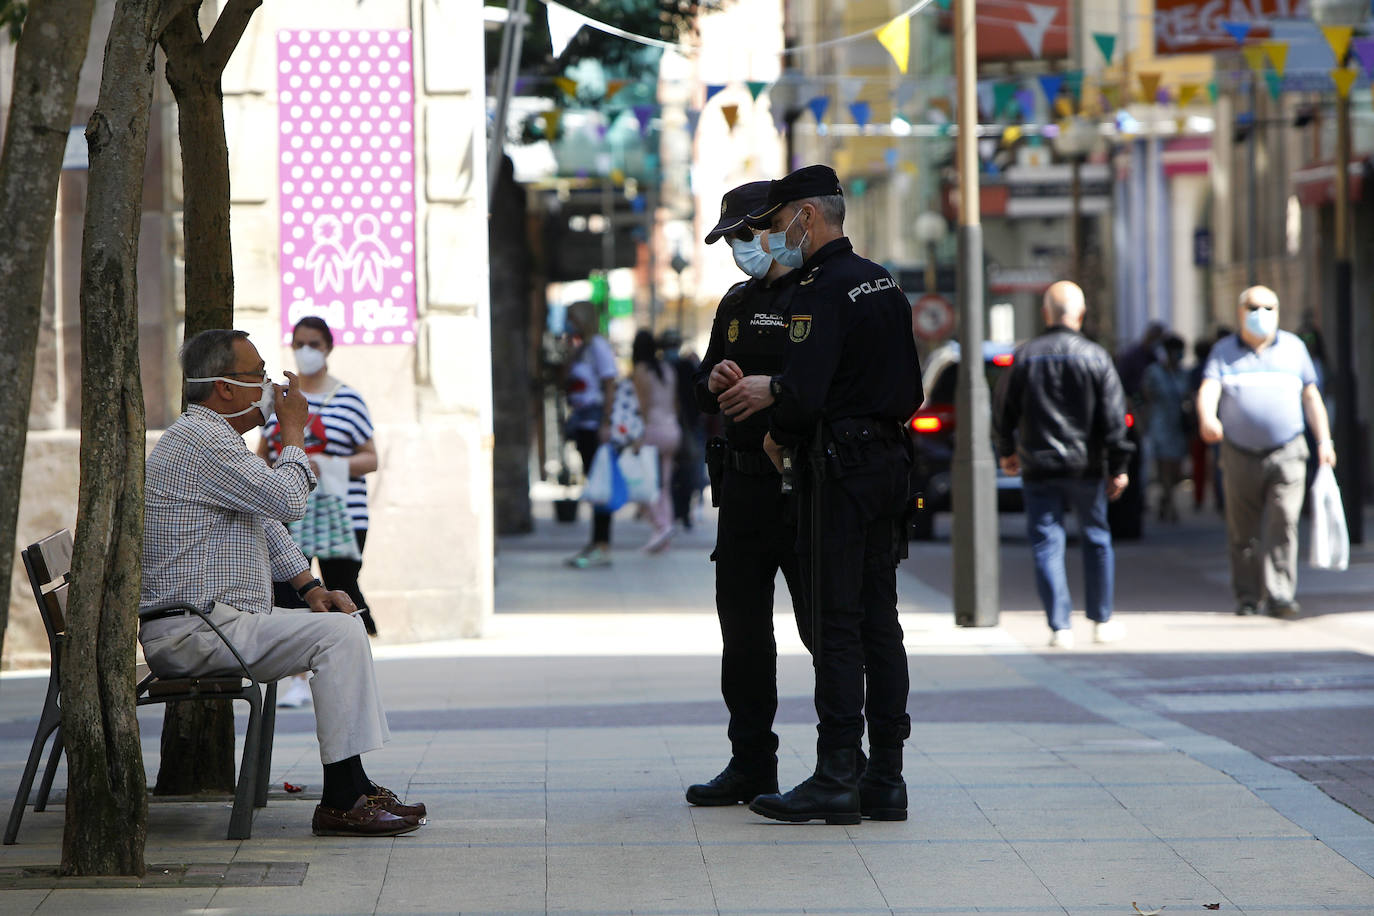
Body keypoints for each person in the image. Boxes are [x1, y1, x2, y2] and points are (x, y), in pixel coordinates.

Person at [139, 329, 425, 837]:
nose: (270, 385)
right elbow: (289, 503)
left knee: (340, 621)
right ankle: (342, 797)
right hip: (196, 630)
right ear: (225, 389)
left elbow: (267, 524)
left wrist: (312, 589)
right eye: (258, 376)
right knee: (337, 636)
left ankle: (353, 784)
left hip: (221, 621)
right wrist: (294, 432)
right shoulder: (201, 441)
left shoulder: (217, 439)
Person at [746, 165, 923, 825]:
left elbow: (806, 390)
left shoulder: (821, 290)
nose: (772, 237)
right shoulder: (883, 282)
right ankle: (887, 776)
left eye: (775, 224)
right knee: (882, 620)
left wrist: (780, 428)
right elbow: (910, 388)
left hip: (839, 471)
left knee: (836, 622)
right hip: (889, 465)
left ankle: (836, 774)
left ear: (807, 218)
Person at [684, 180, 809, 808]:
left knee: (825, 626)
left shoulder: (819, 294)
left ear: (778, 227)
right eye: (731, 239)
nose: (739, 248)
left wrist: (775, 387)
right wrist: (718, 379)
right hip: (742, 486)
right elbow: (703, 386)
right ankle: (750, 761)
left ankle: (847, 761)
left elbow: (834, 380)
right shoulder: (734, 303)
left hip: (806, 484)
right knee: (743, 628)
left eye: (744, 235)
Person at [993, 281, 1133, 650]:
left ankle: (1060, 627)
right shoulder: (1096, 357)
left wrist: (1007, 450)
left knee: (1045, 543)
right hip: (1086, 468)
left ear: (1045, 314)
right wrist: (1118, 464)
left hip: (1039, 466)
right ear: (1081, 315)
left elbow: (1004, 408)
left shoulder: (1026, 356)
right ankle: (1101, 621)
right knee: (1097, 538)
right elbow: (1115, 418)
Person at [1196, 285, 1337, 618]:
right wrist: (1207, 418)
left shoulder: (1294, 349)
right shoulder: (1223, 351)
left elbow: (1311, 397)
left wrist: (1325, 441)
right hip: (1239, 453)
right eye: (1253, 307)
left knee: (1283, 522)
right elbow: (1209, 389)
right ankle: (1247, 596)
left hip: (1288, 450)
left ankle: (1280, 595)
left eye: (1269, 307)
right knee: (1242, 531)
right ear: (1240, 311)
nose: (1261, 314)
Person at [259, 317, 379, 638]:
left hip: (340, 517)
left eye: (314, 344)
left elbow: (371, 458)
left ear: (328, 348)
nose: (305, 351)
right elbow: (262, 457)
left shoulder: (349, 399)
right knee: (287, 591)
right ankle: (297, 678)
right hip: (288, 515)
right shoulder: (279, 402)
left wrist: (327, 464)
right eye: (299, 344)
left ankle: (353, 653)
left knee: (343, 590)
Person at [562, 300, 619, 568]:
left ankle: (602, 543)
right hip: (583, 424)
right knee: (594, 484)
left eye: (573, 318)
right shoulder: (581, 347)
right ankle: (596, 541)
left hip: (595, 423)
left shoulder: (597, 346)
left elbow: (609, 383)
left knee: (600, 486)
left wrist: (606, 422)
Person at [631, 329, 681, 552]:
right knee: (665, 487)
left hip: (652, 430)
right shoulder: (667, 369)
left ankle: (661, 526)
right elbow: (675, 402)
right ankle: (664, 535)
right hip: (672, 429)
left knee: (643, 485)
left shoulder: (641, 371)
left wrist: (638, 435)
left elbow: (641, 406)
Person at [1141, 333, 1189, 522]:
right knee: (1164, 466)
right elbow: (1144, 395)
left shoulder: (1182, 374)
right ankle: (1170, 503)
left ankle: (1166, 498)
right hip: (1159, 423)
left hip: (1177, 425)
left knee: (1175, 468)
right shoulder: (1155, 372)